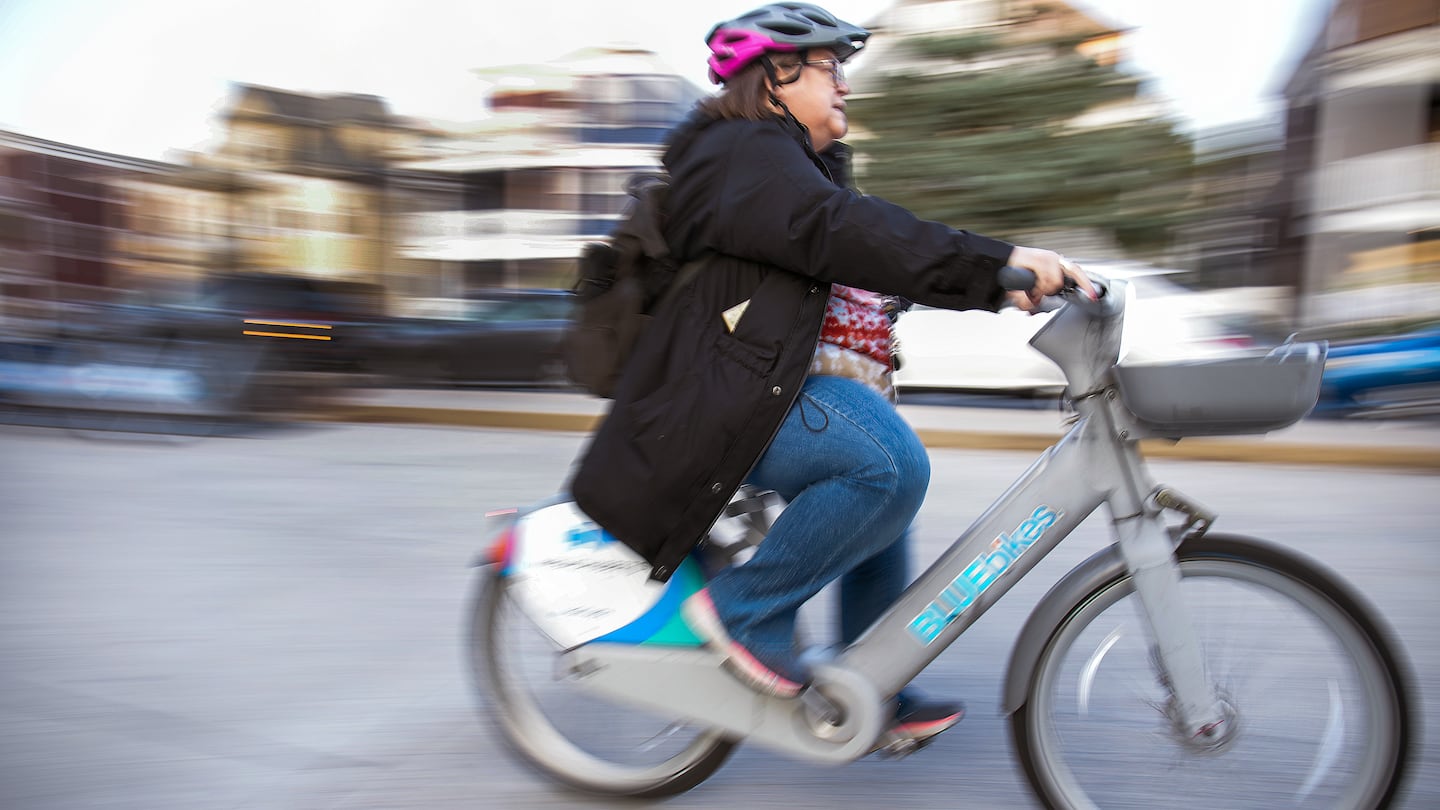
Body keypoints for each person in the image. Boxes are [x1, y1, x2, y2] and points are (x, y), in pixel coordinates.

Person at [570, 1, 1093, 747]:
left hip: (750, 389)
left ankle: (870, 677)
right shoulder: (741, 155)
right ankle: (745, 611)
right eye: (830, 67)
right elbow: (838, 233)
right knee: (884, 464)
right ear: (776, 78)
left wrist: (996, 280)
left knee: (884, 483)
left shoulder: (782, 168)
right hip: (716, 403)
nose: (844, 84)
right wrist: (990, 263)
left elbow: (861, 251)